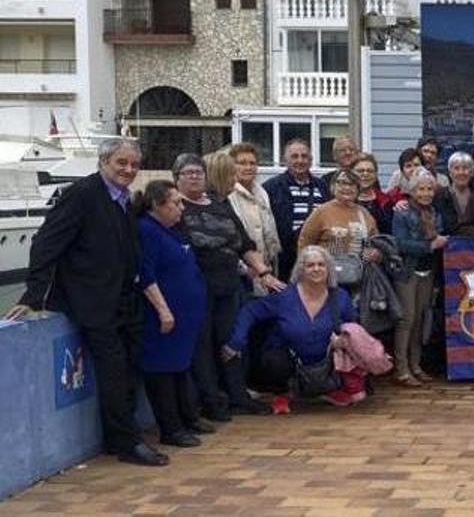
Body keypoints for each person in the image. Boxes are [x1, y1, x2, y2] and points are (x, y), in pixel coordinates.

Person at [6, 139, 167, 467]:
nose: (128, 170)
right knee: (113, 371)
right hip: (94, 302)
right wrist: (33, 295)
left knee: (130, 366)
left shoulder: (122, 200)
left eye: (134, 164)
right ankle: (127, 443)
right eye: (121, 163)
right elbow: (46, 245)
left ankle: (117, 437)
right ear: (104, 161)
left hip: (124, 299)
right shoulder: (82, 195)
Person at [174, 153, 281, 420]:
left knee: (232, 341)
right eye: (188, 173)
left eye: (199, 172)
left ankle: (237, 396)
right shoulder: (176, 208)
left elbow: (244, 245)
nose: (195, 177)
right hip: (196, 288)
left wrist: (264, 273)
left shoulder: (220, 205)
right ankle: (210, 402)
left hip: (229, 285)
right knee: (202, 346)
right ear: (176, 178)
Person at [224, 245, 364, 410]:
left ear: (329, 269)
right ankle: (281, 393)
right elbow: (250, 311)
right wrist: (236, 340)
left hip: (327, 361)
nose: (316, 269)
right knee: (274, 360)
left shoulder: (340, 297)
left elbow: (353, 327)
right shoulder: (284, 296)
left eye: (321, 264)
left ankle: (330, 388)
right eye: (310, 265)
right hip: (289, 360)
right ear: (300, 270)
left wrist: (344, 340)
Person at [133, 180, 212, 448]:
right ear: (157, 204)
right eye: (175, 202)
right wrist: (163, 309)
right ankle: (170, 427)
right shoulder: (147, 230)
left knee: (180, 368)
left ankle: (188, 418)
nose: (181, 208)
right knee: (162, 371)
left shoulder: (173, 230)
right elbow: (145, 274)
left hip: (186, 314)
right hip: (163, 316)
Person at [391, 171, 450, 386]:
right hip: (407, 271)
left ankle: (416, 365)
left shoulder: (435, 212)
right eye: (421, 189)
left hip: (428, 272)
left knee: (420, 321)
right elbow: (399, 244)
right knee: (406, 319)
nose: (425, 193)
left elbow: (440, 235)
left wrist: (439, 241)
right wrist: (429, 246)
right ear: (412, 191)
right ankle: (401, 368)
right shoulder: (402, 212)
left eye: (429, 189)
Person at [297, 169, 381, 291]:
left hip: (358, 282)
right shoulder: (321, 212)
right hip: (325, 282)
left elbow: (376, 243)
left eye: (351, 184)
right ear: (332, 187)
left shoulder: (364, 214)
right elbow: (304, 244)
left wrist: (375, 253)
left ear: (358, 189)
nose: (346, 188)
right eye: (341, 183)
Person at [263, 138, 330, 279]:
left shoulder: (322, 187)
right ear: (285, 160)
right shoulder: (271, 188)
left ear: (311, 160)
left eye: (304, 156)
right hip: (284, 260)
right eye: (294, 156)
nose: (300, 160)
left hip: (316, 258)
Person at [228, 143, 283, 298]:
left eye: (252, 163)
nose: (248, 167)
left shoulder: (262, 193)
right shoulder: (228, 194)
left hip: (265, 265)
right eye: (242, 163)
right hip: (242, 270)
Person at [352, 153, 401, 236]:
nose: (365, 174)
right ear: (352, 173)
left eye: (370, 171)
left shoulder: (386, 202)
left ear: (375, 175)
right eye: (360, 171)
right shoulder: (345, 201)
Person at [443, 152, 474, 224]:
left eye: (465, 168)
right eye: (456, 168)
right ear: (450, 173)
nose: (461, 172)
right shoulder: (440, 195)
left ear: (471, 172)